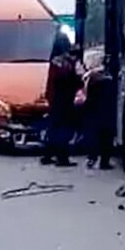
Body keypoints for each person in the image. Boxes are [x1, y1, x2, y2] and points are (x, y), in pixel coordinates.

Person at [41, 33, 82, 167]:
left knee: (53, 127)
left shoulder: (54, 61)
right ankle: (62, 158)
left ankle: (47, 155)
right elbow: (74, 80)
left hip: (54, 99)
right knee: (64, 129)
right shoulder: (67, 63)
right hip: (65, 100)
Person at [82, 66, 117, 170]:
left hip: (94, 115)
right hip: (107, 115)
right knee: (106, 139)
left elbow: (88, 99)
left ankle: (92, 159)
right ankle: (104, 162)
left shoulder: (92, 80)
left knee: (94, 138)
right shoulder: (109, 82)